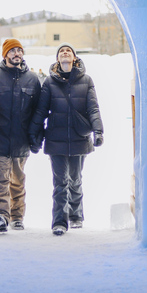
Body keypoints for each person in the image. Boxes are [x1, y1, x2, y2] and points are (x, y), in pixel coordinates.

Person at [29, 43, 104, 236]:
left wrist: (98, 131)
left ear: (74, 58)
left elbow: (93, 108)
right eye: (61, 51)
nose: (65, 52)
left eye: (68, 51)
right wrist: (33, 133)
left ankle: (76, 214)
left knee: (76, 180)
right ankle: (59, 222)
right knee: (61, 182)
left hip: (79, 137)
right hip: (56, 138)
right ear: (57, 59)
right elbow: (41, 110)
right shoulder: (49, 82)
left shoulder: (86, 80)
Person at [0, 38, 42, 233]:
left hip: (21, 141)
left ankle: (17, 217)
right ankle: (0, 216)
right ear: (5, 54)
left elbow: (38, 113)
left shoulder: (32, 79)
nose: (16, 54)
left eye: (19, 50)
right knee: (0, 180)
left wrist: (37, 137)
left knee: (17, 181)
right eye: (12, 51)